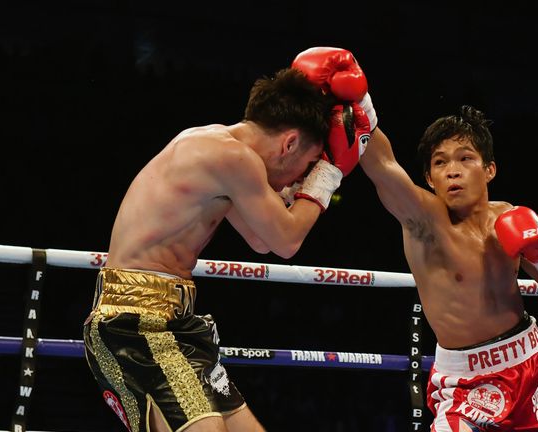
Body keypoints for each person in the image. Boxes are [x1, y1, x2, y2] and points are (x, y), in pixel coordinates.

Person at [293, 47, 538, 431]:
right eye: (440, 163)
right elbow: (380, 161)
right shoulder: (424, 222)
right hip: (467, 385)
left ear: (489, 169)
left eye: (465, 159)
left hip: (535, 366)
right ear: (429, 178)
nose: (452, 171)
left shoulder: (511, 218)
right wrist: (354, 98)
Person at [83, 66, 370, 432]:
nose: (303, 177)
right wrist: (329, 174)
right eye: (308, 165)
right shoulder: (233, 158)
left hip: (175, 323)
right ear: (290, 143)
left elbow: (262, 240)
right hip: (134, 324)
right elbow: (287, 241)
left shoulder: (221, 151)